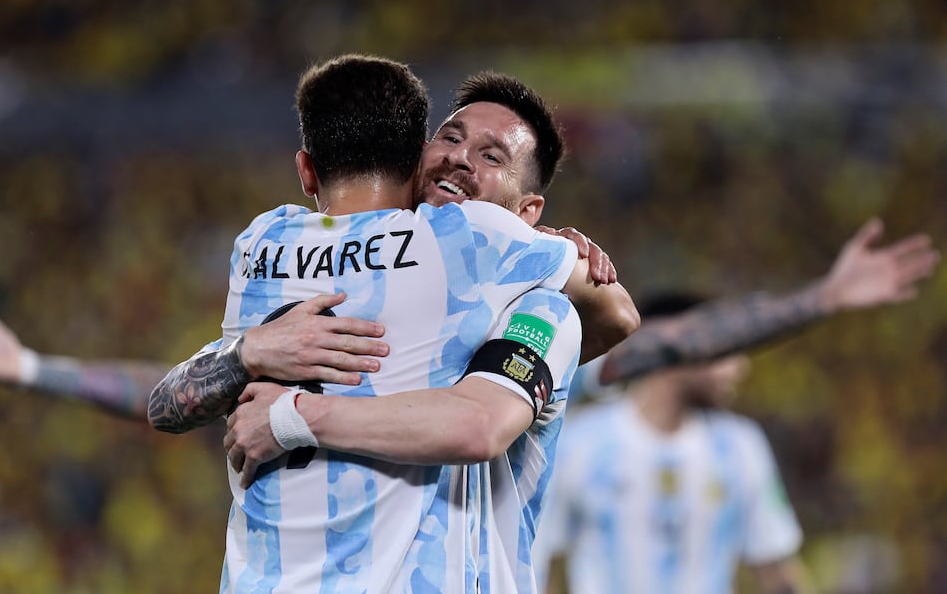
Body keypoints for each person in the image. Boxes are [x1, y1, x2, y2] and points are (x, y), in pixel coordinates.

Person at [145, 54, 636, 593]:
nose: (459, 160)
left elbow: (480, 423)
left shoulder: (265, 243)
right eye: (449, 139)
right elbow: (618, 314)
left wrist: (286, 409)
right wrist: (248, 355)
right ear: (413, 157)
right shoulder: (466, 243)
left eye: (490, 155)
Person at [0, 218, 937, 419]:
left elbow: (668, 344)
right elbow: (181, 385)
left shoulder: (515, 349)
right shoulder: (343, 339)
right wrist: (30, 368)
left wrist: (818, 298)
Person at [535, 291, 818, 594]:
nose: (739, 367)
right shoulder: (581, 443)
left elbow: (777, 570)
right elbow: (541, 566)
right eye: (726, 348)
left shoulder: (740, 446)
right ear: (675, 345)